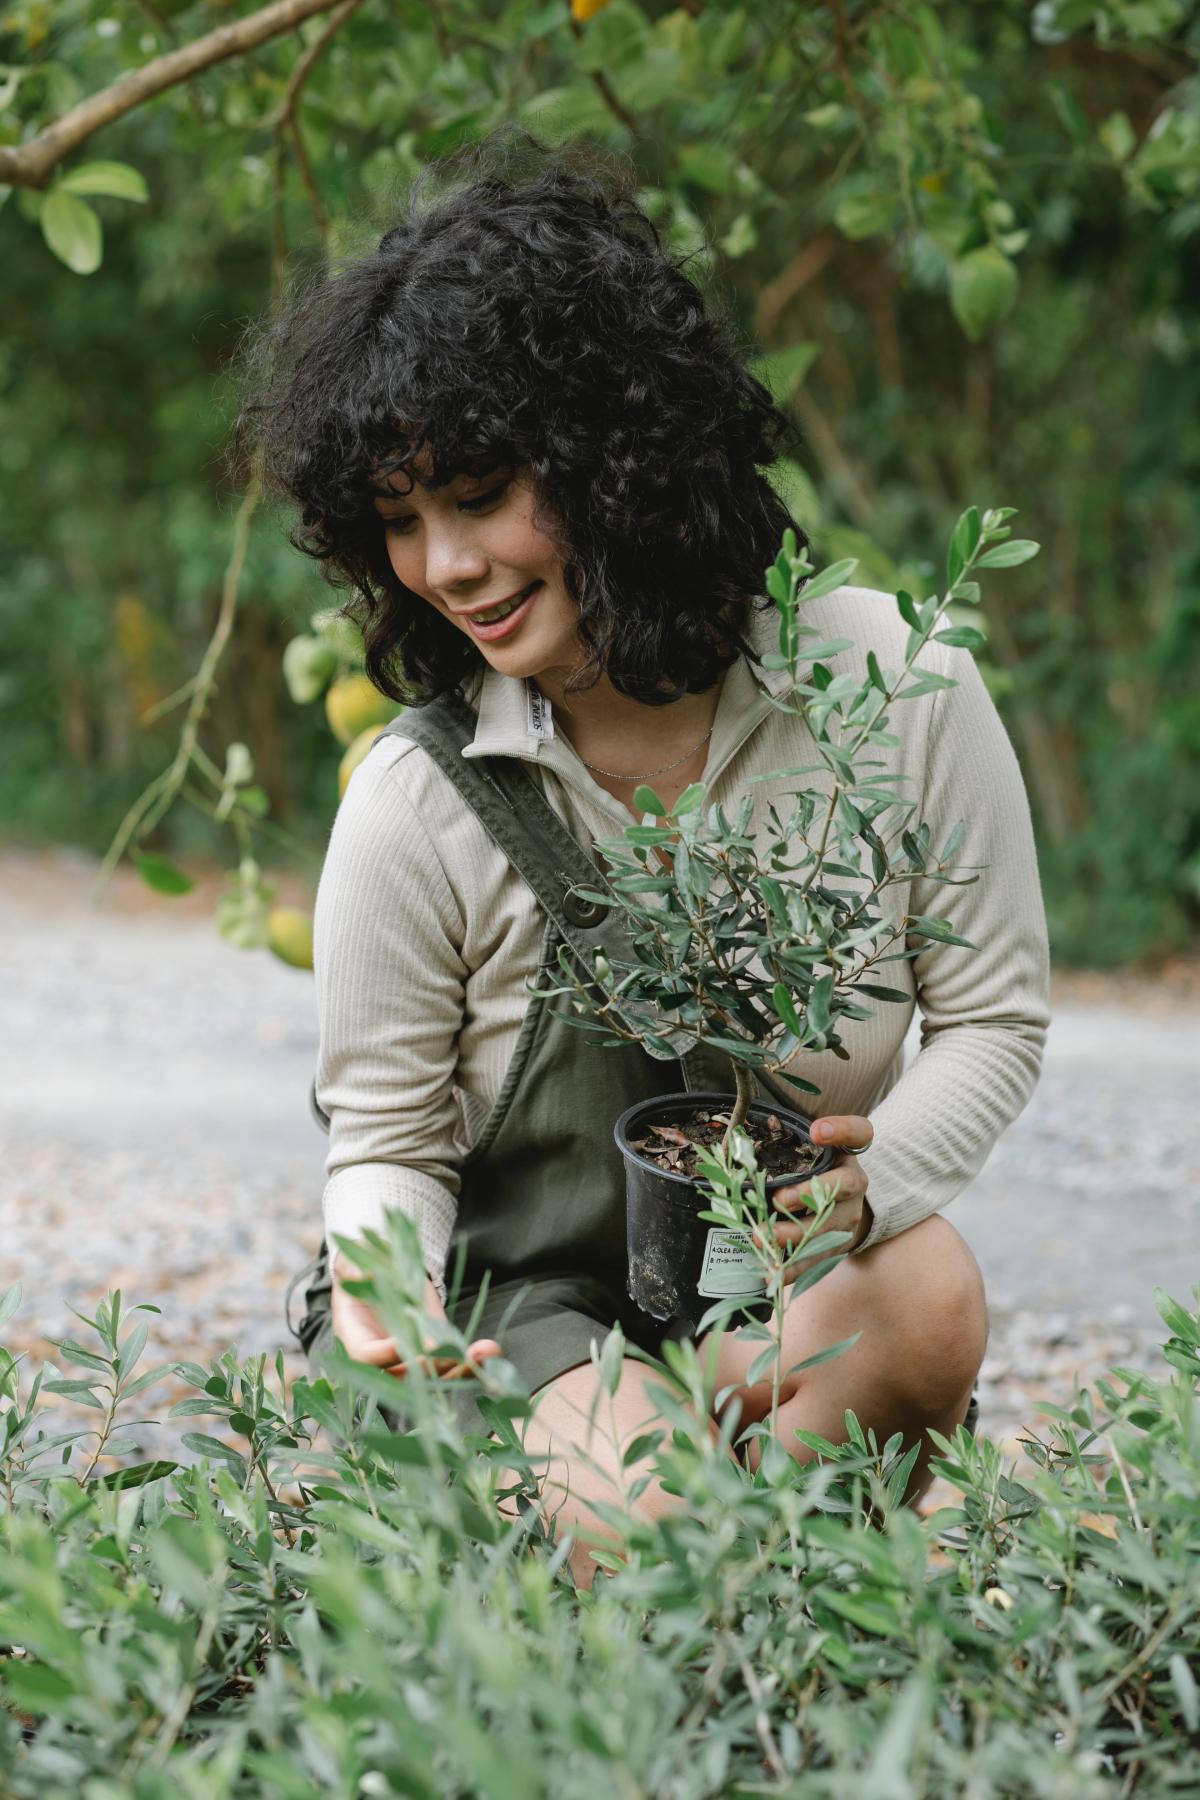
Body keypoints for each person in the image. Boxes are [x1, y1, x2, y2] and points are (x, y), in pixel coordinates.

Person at [248, 140, 1049, 1588]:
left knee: (926, 1295)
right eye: (401, 522)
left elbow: (994, 1017)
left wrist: (874, 1191)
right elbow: (385, 1140)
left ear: (623, 455)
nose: (446, 566)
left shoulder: (892, 682)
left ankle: (760, 1596)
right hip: (508, 1307)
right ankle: (696, 1572)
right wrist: (384, 1299)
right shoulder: (418, 800)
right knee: (650, 1520)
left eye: (483, 494)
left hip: (766, 1278)